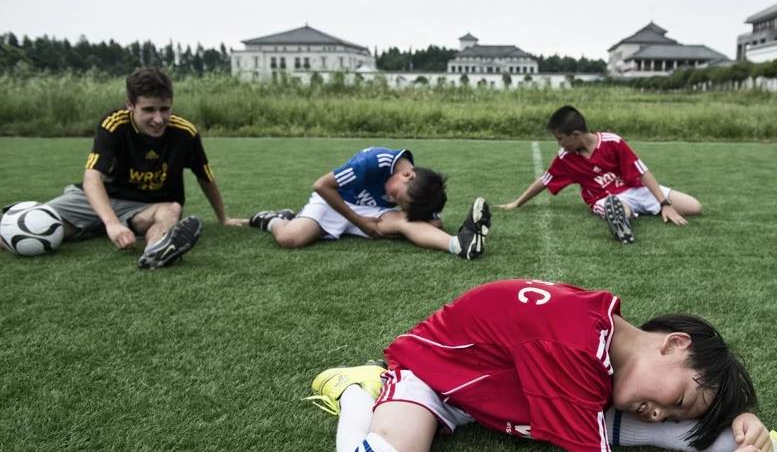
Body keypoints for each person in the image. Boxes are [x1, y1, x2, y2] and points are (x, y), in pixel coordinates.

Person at [306, 279, 777, 452]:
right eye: (677, 399)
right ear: (673, 344)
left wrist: (745, 419)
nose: (659, 413)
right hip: (435, 374)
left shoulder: (608, 344)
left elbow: (679, 406)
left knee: (673, 433)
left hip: (505, 390)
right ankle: (362, 387)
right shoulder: (574, 349)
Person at [33, 67, 245, 268]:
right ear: (130, 105)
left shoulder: (184, 133)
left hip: (147, 209)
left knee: (171, 210)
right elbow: (92, 179)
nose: (158, 119)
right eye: (148, 110)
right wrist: (112, 223)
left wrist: (223, 218)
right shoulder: (113, 124)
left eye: (165, 109)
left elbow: (205, 176)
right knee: (31, 229)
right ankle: (97, 227)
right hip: (99, 200)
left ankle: (155, 251)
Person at [499, 105, 702, 244]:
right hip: (602, 198)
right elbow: (545, 180)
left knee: (694, 206)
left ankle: (642, 212)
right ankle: (623, 220)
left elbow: (642, 171)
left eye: (560, 139)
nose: (559, 144)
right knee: (617, 206)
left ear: (575, 135)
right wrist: (517, 203)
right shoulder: (565, 157)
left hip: (635, 189)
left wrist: (664, 204)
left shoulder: (612, 142)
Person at [248, 147, 490, 259]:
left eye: (397, 201)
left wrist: (425, 222)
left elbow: (433, 219)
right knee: (290, 239)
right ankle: (273, 220)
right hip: (334, 200)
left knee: (409, 223)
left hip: (370, 212)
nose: (393, 200)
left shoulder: (420, 187)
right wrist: (361, 223)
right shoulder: (373, 161)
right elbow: (321, 185)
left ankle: (459, 244)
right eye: (397, 198)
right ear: (407, 175)